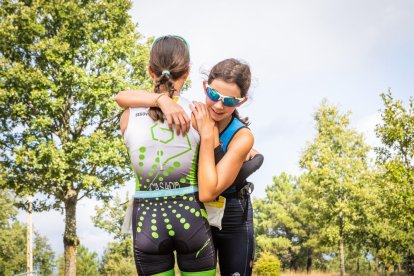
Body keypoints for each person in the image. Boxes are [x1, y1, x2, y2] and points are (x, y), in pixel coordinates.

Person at [116, 58, 263, 276]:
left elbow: (207, 192)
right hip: (199, 212)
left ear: (241, 102)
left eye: (230, 101)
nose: (219, 105)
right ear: (205, 87)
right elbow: (122, 97)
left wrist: (210, 137)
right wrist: (162, 101)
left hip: (232, 215)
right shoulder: (192, 112)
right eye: (214, 95)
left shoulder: (241, 137)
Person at [119, 35, 216, 276]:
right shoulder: (198, 114)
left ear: (150, 72)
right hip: (192, 218)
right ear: (187, 72)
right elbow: (212, 160)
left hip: (147, 223)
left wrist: (159, 99)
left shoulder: (128, 116)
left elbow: (121, 96)